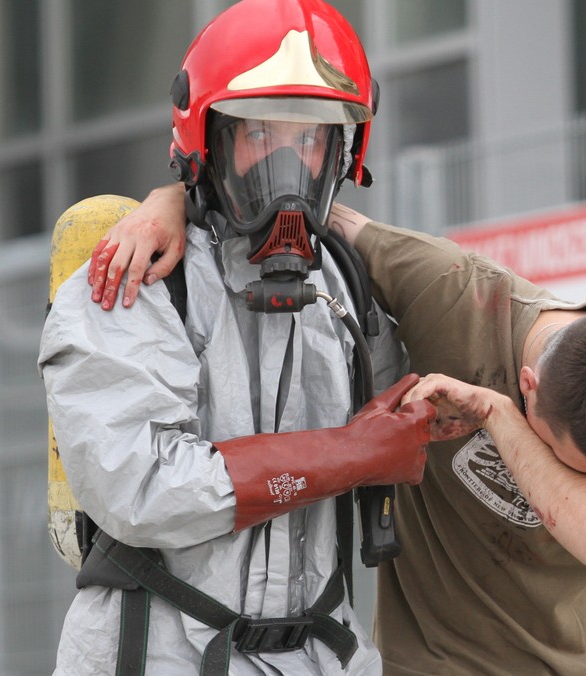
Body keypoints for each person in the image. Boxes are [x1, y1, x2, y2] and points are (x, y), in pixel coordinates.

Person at [92, 183, 586, 674]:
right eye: (562, 457)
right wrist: (169, 200)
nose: (567, 484)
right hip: (438, 664)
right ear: (530, 383)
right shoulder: (449, 290)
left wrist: (495, 414)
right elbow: (302, 209)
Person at [39, 1, 437, 673]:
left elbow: (424, 408)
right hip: (156, 654)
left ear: (342, 153)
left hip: (321, 655)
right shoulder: (136, 278)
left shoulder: (345, 286)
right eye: (257, 135)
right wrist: (349, 453)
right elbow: (142, 486)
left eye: (308, 140)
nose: (286, 171)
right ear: (208, 141)